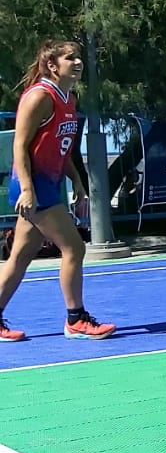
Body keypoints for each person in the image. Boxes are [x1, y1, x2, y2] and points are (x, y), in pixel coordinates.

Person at [1, 39, 115, 342]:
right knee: (74, 248)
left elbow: (60, 148)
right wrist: (27, 189)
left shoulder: (69, 98)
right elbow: (20, 145)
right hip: (34, 185)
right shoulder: (40, 96)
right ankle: (76, 320)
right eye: (70, 58)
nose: (77, 62)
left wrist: (76, 181)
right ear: (52, 66)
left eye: (78, 57)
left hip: (48, 183)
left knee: (20, 257)